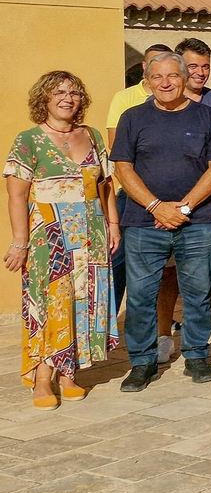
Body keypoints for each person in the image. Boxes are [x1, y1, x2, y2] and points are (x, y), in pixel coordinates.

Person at [112, 52, 211, 391]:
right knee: (140, 295)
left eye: (172, 76)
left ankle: (196, 356)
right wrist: (155, 206)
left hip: (197, 221)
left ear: (184, 78)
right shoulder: (132, 118)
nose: (165, 83)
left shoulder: (208, 117)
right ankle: (142, 362)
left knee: (197, 293)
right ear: (147, 81)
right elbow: (123, 167)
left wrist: (183, 208)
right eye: (158, 77)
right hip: (142, 221)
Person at [6, 72, 119, 407]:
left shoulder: (93, 135)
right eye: (59, 92)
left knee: (83, 299)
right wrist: (19, 242)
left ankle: (70, 373)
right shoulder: (28, 140)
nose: (68, 98)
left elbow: (106, 185)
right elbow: (16, 196)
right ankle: (42, 379)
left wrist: (113, 223)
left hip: (91, 232)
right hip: (49, 236)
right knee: (47, 301)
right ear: (44, 98)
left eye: (74, 92)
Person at [105, 42, 171, 341]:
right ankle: (107, 329)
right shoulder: (127, 101)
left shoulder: (190, 103)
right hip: (132, 199)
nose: (163, 78)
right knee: (121, 266)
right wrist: (153, 203)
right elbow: (118, 153)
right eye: (153, 66)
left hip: (178, 207)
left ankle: (164, 329)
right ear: (145, 68)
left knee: (169, 274)